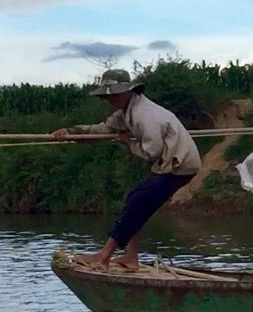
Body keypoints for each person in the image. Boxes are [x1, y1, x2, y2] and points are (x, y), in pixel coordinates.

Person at [50, 69, 202, 269]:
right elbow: (103, 129)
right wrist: (71, 132)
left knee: (138, 204)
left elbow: (152, 151)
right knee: (134, 200)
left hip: (179, 165)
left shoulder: (145, 115)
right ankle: (131, 258)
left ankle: (103, 256)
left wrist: (127, 143)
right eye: (108, 96)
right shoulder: (126, 112)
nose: (110, 99)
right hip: (168, 165)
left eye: (114, 94)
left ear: (128, 91)